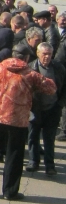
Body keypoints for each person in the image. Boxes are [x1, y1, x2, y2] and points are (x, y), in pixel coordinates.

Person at [0, 42, 57, 200]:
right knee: (14, 155)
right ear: (27, 57)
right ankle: (10, 191)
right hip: (18, 120)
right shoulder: (30, 74)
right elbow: (51, 88)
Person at [26, 43, 65, 176]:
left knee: (49, 139)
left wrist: (59, 105)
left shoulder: (58, 68)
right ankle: (33, 161)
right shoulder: (31, 68)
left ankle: (50, 165)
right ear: (38, 53)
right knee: (33, 136)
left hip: (52, 109)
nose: (47, 57)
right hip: (35, 109)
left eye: (49, 54)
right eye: (44, 54)